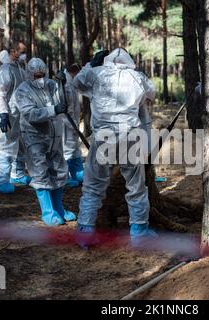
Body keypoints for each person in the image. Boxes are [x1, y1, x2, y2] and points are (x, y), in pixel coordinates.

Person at [72, 48, 157, 248]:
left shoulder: (96, 73)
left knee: (92, 186)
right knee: (136, 186)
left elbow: (77, 83)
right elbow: (151, 95)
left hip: (104, 138)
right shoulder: (137, 77)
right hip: (130, 135)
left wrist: (90, 64)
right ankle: (139, 232)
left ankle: (85, 231)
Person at [10, 57, 75, 226]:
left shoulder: (51, 85)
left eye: (42, 74)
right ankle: (48, 212)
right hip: (34, 136)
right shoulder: (22, 91)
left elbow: (65, 103)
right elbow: (30, 114)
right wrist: (53, 110)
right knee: (40, 172)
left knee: (59, 170)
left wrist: (64, 83)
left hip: (54, 135)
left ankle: (59, 208)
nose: (40, 78)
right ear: (29, 74)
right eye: (36, 75)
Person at [0, 41, 31, 194]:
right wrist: (3, 114)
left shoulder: (19, 68)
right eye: (21, 51)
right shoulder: (5, 70)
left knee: (21, 144)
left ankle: (18, 174)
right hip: (9, 114)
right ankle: (1, 181)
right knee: (7, 145)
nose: (24, 54)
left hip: (19, 114)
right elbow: (1, 94)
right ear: (13, 51)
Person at [61, 64, 84, 188]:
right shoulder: (64, 84)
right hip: (66, 123)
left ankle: (77, 173)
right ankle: (65, 178)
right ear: (74, 72)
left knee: (74, 149)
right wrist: (72, 124)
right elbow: (66, 108)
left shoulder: (71, 83)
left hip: (73, 123)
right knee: (67, 150)